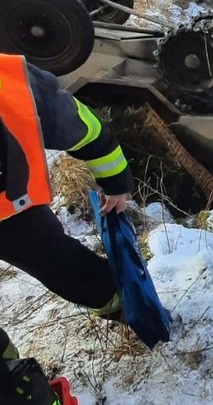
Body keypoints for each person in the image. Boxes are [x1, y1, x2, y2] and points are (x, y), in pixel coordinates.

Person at [0, 53, 130, 318]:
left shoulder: (10, 83)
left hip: (10, 212)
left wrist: (116, 184)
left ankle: (122, 305)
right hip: (12, 210)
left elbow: (88, 131)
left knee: (62, 264)